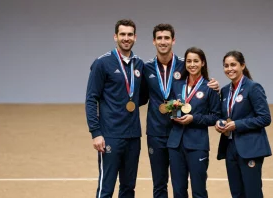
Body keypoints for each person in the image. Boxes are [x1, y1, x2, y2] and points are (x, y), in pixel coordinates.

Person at [142, 24, 219, 198]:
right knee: (160, 183)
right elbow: (139, 95)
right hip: (156, 132)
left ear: (173, 40)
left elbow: (199, 83)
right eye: (159, 38)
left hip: (180, 133)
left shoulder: (184, 64)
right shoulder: (145, 67)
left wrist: (213, 85)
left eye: (167, 38)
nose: (163, 42)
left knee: (191, 187)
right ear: (154, 41)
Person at [85, 19, 146, 198]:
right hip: (110, 135)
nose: (126, 38)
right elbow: (91, 99)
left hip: (133, 136)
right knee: (106, 188)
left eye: (129, 35)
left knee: (128, 188)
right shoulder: (102, 63)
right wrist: (96, 132)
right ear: (115, 37)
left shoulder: (139, 64)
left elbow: (141, 96)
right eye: (122, 34)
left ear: (135, 37)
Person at [215, 50, 272, 198]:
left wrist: (237, 125)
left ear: (242, 65)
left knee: (252, 193)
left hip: (250, 148)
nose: (229, 69)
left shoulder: (253, 88)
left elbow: (265, 118)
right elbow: (225, 116)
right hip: (230, 147)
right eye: (226, 65)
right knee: (236, 193)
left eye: (233, 64)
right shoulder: (225, 91)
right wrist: (220, 123)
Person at [167, 47, 221, 198]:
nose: (192, 64)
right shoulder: (177, 85)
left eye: (196, 61)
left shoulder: (210, 86)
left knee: (199, 191)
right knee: (178, 191)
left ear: (203, 63)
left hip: (197, 145)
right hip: (175, 144)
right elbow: (172, 107)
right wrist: (175, 115)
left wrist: (194, 118)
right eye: (189, 61)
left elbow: (215, 116)